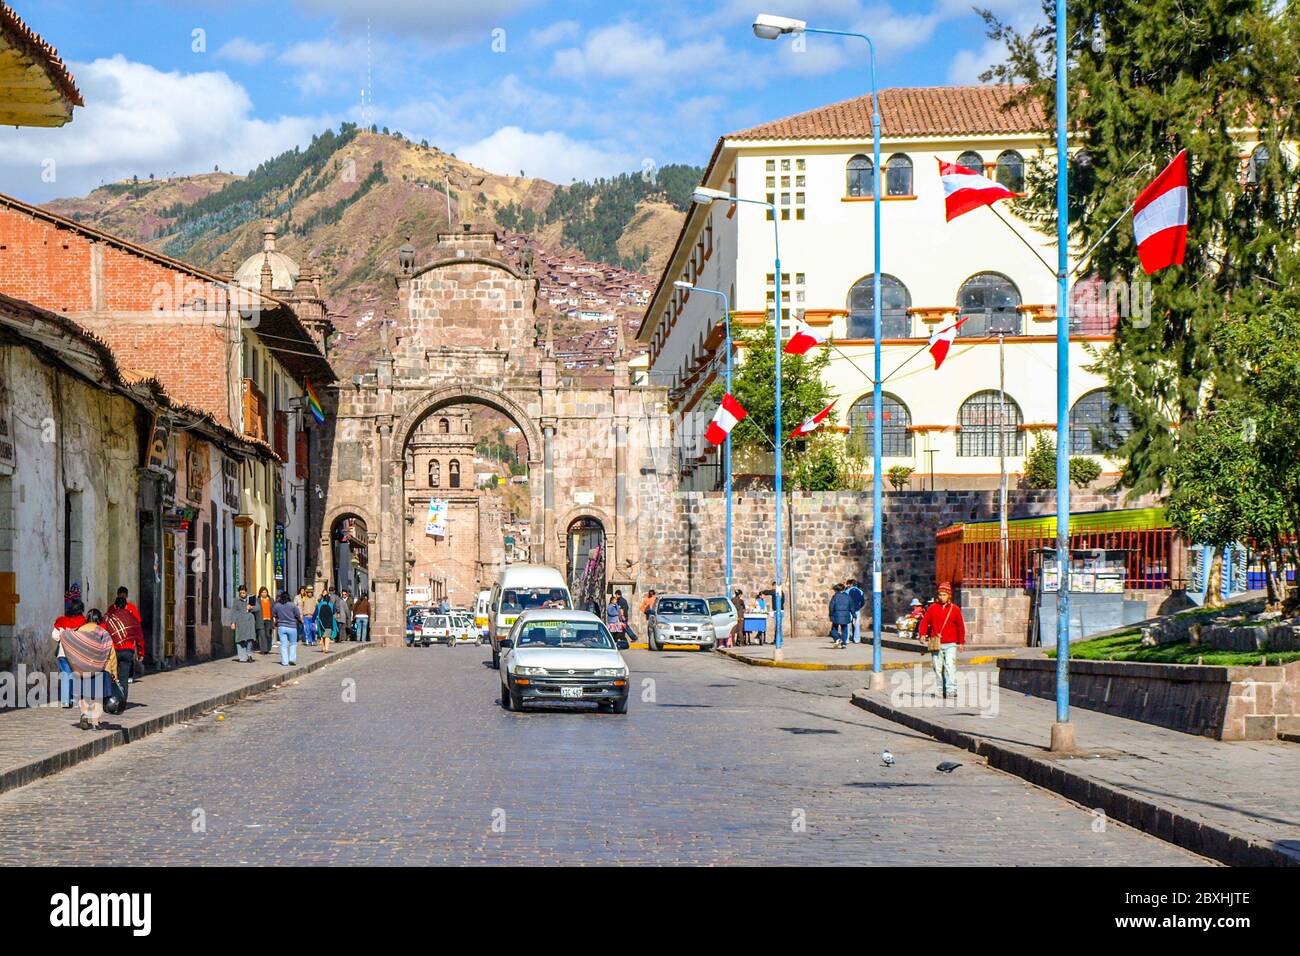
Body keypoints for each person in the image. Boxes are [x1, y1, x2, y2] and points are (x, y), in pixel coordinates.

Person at [56, 609, 114, 730]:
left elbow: (65, 638)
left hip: (81, 668)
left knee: (83, 695)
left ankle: (84, 714)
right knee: (97, 696)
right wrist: (113, 671)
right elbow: (111, 653)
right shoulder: (103, 633)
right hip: (99, 669)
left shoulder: (78, 631)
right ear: (99, 619)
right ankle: (96, 722)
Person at [918, 582, 966, 699]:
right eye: (940, 594)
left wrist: (961, 642)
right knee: (937, 667)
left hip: (951, 643)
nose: (942, 597)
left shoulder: (955, 609)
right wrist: (922, 634)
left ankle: (951, 689)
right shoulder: (932, 608)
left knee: (950, 666)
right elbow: (925, 622)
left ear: (949, 595)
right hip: (936, 643)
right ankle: (941, 689)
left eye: (944, 594)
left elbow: (960, 626)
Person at [104, 594, 145, 685]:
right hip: (128, 651)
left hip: (114, 650)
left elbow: (103, 632)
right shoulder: (132, 617)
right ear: (126, 606)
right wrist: (140, 652)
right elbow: (139, 636)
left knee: (113, 675)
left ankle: (113, 696)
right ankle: (122, 697)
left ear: (115, 606)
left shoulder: (109, 618)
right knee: (124, 678)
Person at [52, 594, 85, 708]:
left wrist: (63, 635)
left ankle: (65, 700)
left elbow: (55, 636)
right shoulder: (84, 621)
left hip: (63, 652)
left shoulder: (62, 621)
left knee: (66, 675)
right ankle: (73, 697)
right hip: (77, 653)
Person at [272, 590, 303, 667]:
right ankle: (292, 659)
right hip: (292, 627)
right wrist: (299, 620)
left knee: (283, 645)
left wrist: (277, 618)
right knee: (293, 644)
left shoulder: (277, 605)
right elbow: (298, 615)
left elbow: (273, 614)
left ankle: (285, 662)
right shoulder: (292, 605)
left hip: (281, 627)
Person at [230, 589, 258, 663]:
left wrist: (251, 607)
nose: (242, 594)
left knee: (250, 638)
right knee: (240, 639)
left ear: (246, 592)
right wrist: (233, 622)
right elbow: (233, 612)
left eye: (244, 592)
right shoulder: (236, 601)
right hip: (240, 622)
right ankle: (242, 657)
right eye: (241, 593)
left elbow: (258, 608)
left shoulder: (251, 599)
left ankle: (249, 654)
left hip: (249, 621)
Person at [829, 583, 853, 649]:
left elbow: (831, 606)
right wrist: (854, 615)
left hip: (836, 615)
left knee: (834, 629)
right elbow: (851, 606)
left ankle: (837, 639)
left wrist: (830, 614)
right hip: (845, 615)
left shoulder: (835, 597)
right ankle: (844, 643)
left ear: (836, 590)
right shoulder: (848, 596)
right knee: (845, 629)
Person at [845, 578, 866, 644]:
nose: (847, 585)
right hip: (857, 610)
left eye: (848, 584)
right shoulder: (860, 591)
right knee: (856, 625)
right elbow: (863, 601)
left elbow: (845, 601)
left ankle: (846, 639)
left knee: (847, 625)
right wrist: (859, 607)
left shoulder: (847, 591)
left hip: (848, 610)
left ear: (851, 584)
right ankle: (856, 639)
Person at [315, 589, 336, 653]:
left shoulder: (319, 604)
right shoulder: (331, 605)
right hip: (329, 622)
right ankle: (326, 648)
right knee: (327, 636)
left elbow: (316, 612)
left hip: (320, 622)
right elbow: (334, 612)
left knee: (322, 635)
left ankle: (323, 647)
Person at [255, 586, 273, 655]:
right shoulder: (257, 600)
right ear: (260, 593)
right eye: (262, 592)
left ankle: (268, 648)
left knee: (268, 635)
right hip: (260, 619)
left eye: (265, 592)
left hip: (269, 619)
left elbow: (273, 609)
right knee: (262, 635)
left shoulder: (271, 600)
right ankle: (263, 649)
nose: (264, 593)